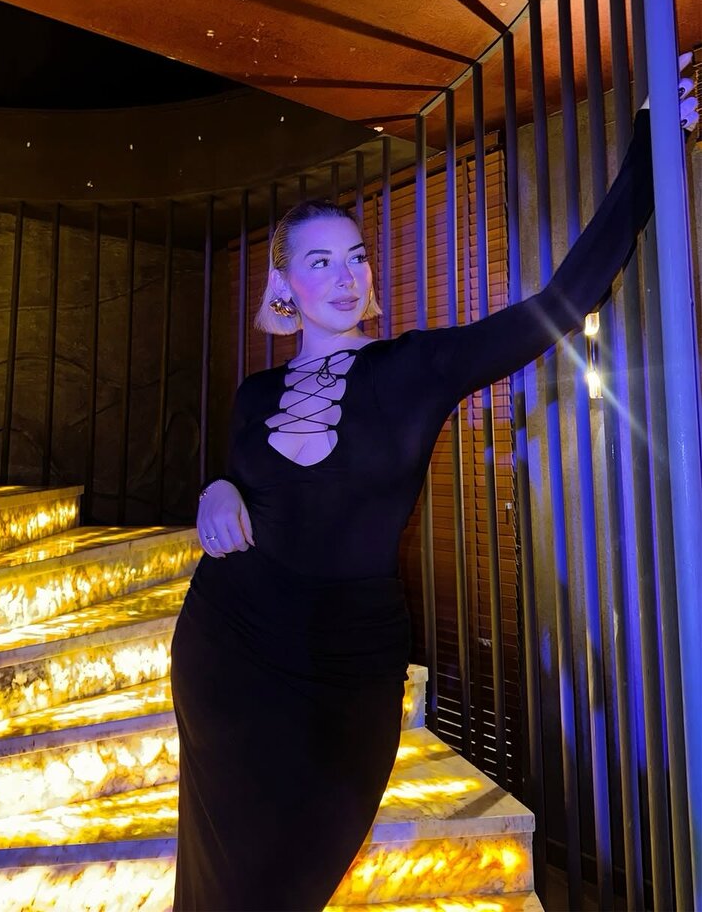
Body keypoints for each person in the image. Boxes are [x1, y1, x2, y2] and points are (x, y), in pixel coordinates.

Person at [170, 57, 698, 911]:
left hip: (347, 669)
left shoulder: (417, 367)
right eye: (320, 262)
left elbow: (567, 299)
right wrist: (215, 491)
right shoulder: (255, 394)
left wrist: (649, 145)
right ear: (285, 286)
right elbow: (246, 480)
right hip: (228, 650)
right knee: (214, 880)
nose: (347, 277)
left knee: (283, 881)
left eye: (356, 258)